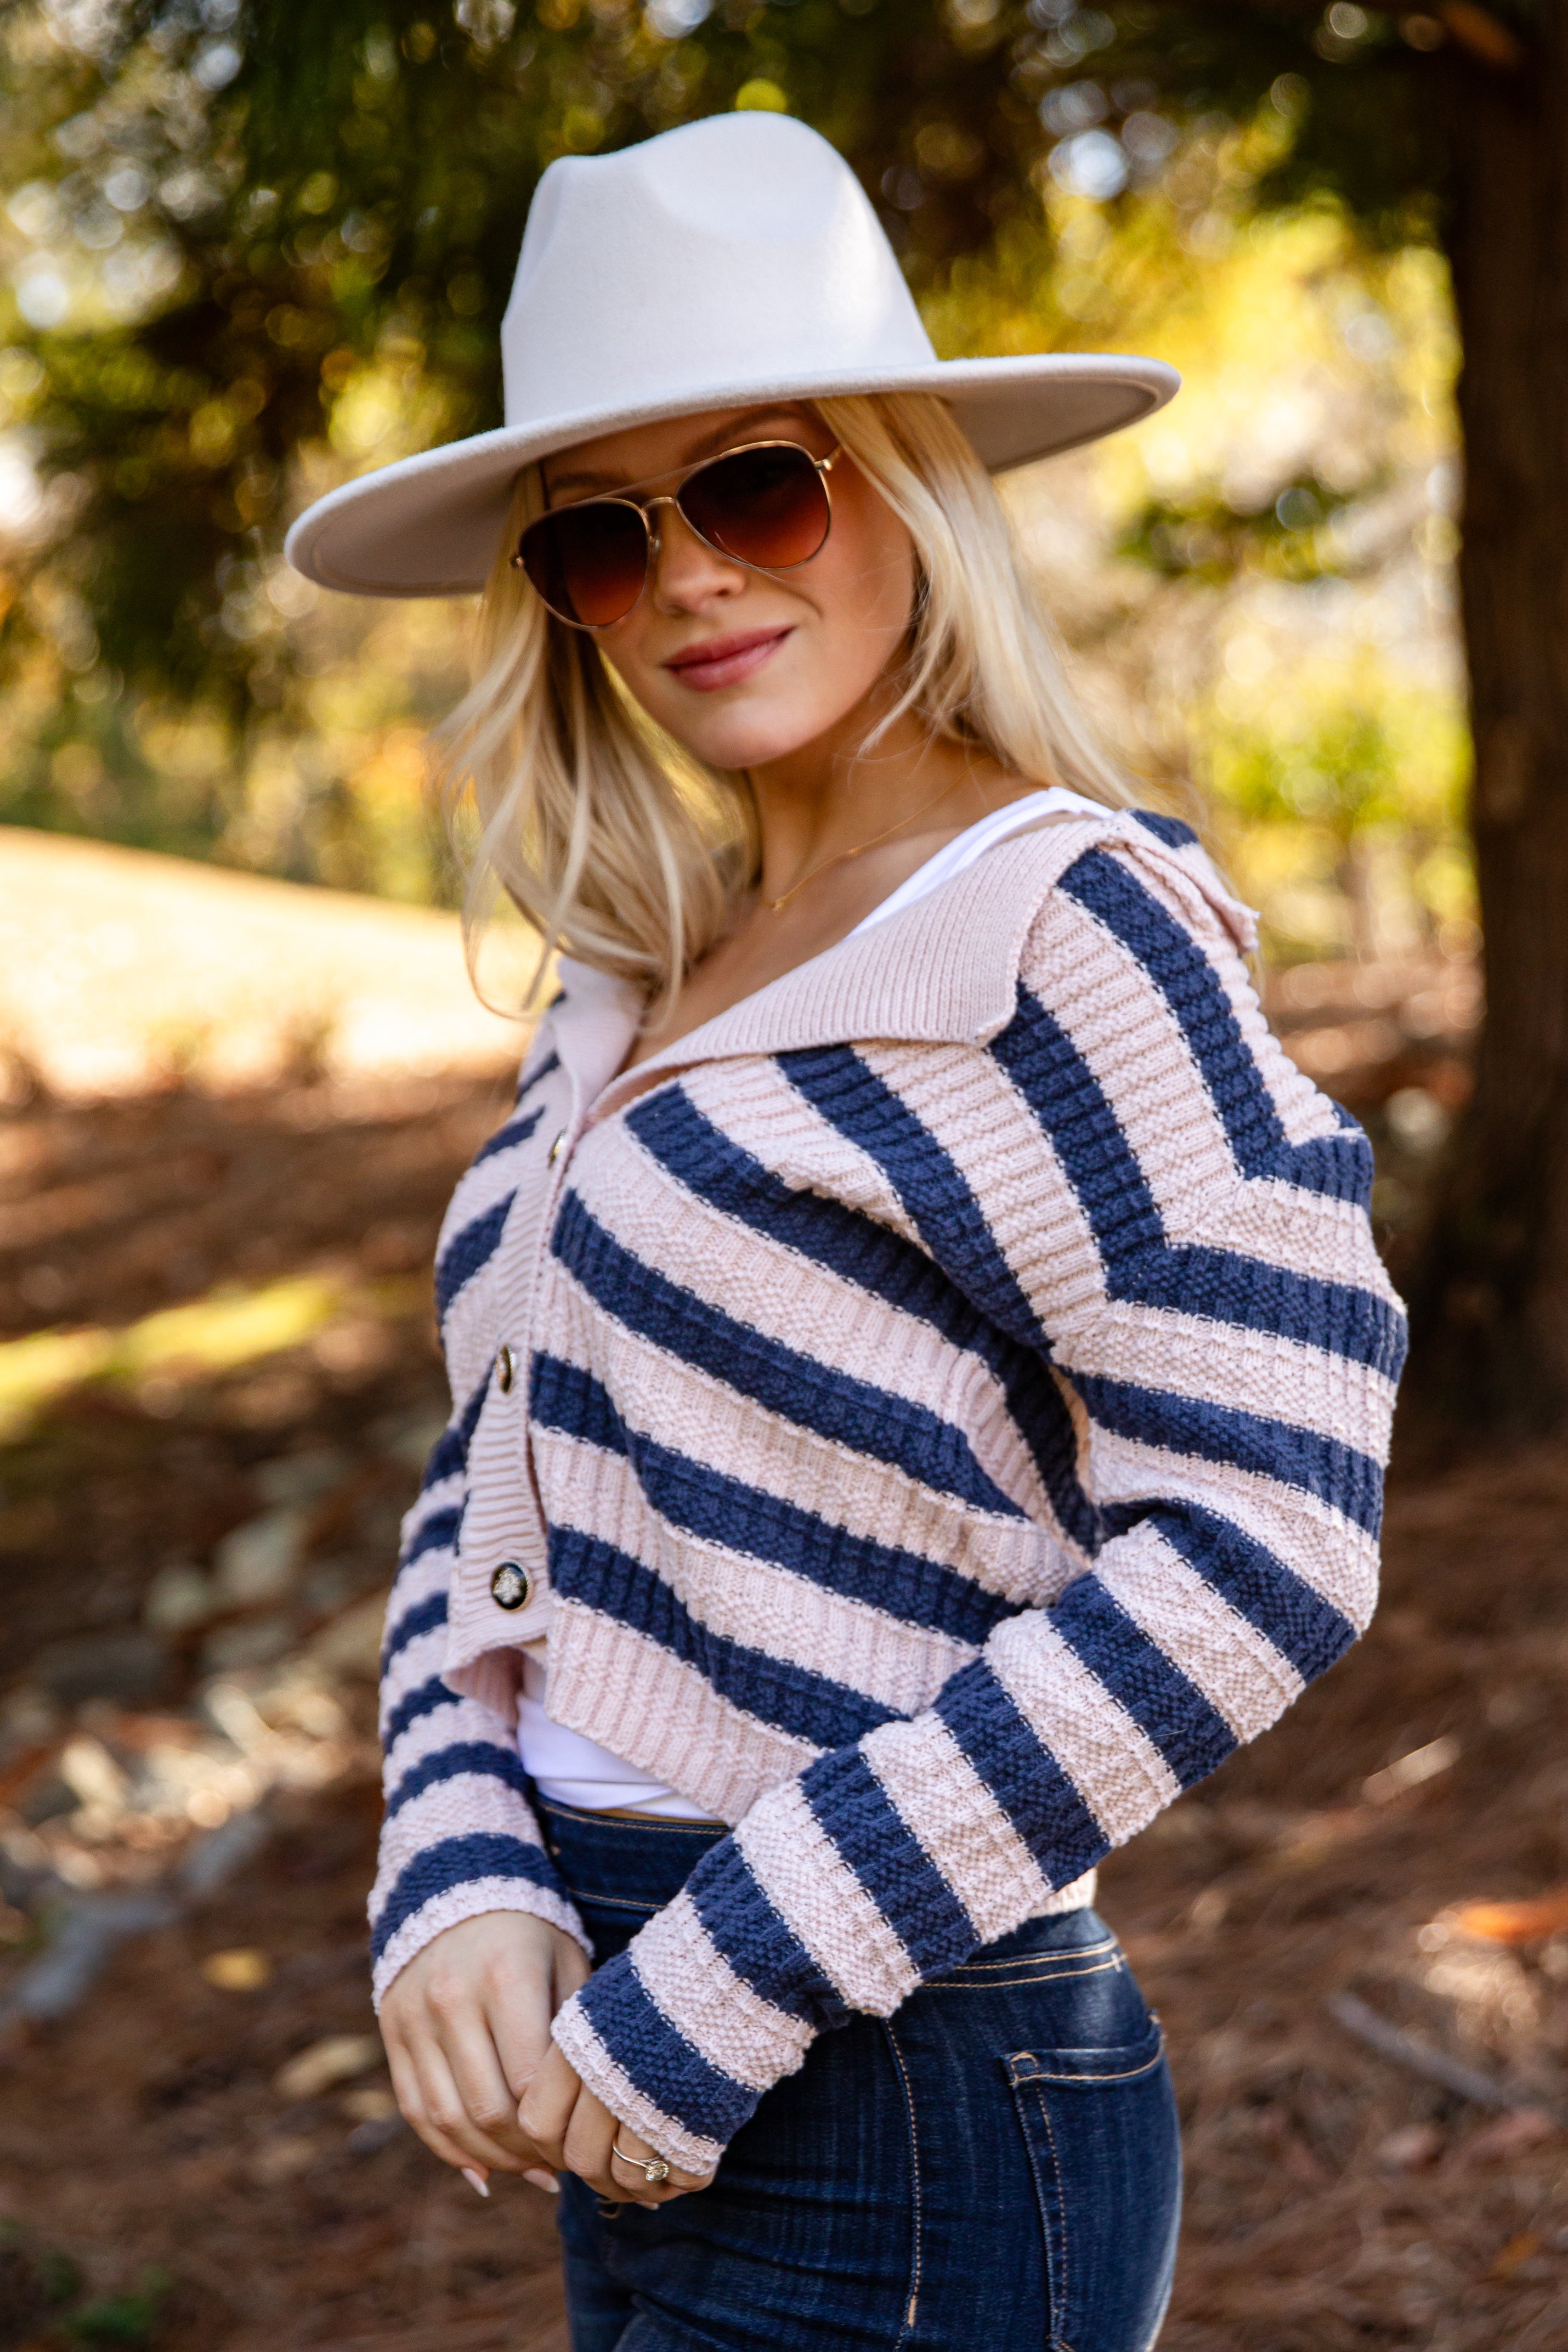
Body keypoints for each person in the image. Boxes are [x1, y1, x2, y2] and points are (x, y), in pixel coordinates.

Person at [286, 111, 1406, 2352]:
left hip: (901, 2075)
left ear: (905, 486)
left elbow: (1270, 1530)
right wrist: (460, 1867)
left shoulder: (1065, 931)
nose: (691, 574)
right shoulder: (637, 968)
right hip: (619, 2040)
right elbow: (492, 1471)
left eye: (759, 486)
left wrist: (725, 1968)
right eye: (603, 538)